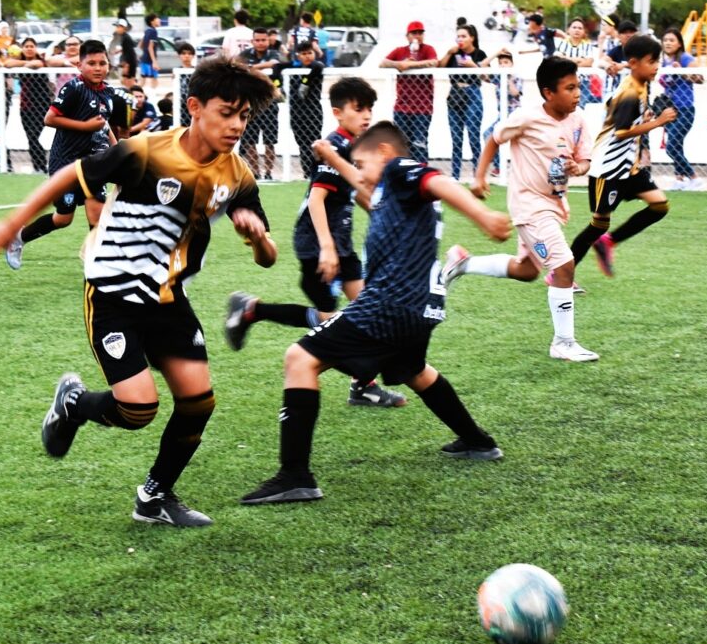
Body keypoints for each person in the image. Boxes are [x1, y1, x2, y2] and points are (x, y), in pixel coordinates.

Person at [0, 56, 279, 527]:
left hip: (169, 299)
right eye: (227, 112)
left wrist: (259, 237)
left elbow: (268, 257)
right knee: (138, 409)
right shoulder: (146, 151)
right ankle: (73, 403)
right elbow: (69, 176)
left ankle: (155, 498)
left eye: (244, 116)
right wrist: (11, 225)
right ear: (195, 107)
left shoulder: (237, 175)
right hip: (113, 293)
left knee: (199, 402)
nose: (237, 125)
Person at [239, 121, 512, 505]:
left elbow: (436, 180)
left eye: (364, 163)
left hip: (386, 305)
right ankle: (477, 441)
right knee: (416, 372)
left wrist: (481, 215)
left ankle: (294, 475)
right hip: (420, 308)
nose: (360, 174)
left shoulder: (401, 170)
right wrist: (333, 156)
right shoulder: (388, 192)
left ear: (384, 153)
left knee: (300, 358)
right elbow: (361, 182)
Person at [225, 77, 407, 408]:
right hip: (317, 243)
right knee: (334, 320)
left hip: (341, 243)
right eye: (358, 108)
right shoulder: (334, 147)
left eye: (369, 108)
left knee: (368, 314)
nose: (366, 115)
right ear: (338, 113)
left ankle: (362, 386)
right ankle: (253, 310)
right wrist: (326, 247)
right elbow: (316, 199)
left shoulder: (357, 147)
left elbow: (355, 193)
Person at [447, 57, 598, 362]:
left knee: (527, 270)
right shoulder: (526, 117)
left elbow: (584, 161)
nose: (577, 93)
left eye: (578, 86)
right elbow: (493, 139)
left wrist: (577, 168)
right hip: (529, 205)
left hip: (554, 205)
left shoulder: (579, 120)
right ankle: (563, 342)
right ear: (548, 93)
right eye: (569, 88)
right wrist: (479, 177)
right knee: (564, 265)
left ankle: (463, 263)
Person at [570, 35, 678, 274]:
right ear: (634, 62)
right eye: (651, 61)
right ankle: (561, 274)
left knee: (659, 206)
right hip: (607, 169)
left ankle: (609, 242)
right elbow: (620, 133)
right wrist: (657, 122)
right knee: (598, 226)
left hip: (629, 167)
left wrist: (646, 118)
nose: (656, 66)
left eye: (657, 60)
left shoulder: (641, 82)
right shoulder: (629, 91)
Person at [3, 39, 114, 269]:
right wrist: (85, 127)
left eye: (102, 63)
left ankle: (97, 267)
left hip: (93, 163)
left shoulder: (109, 93)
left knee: (97, 214)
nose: (97, 68)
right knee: (64, 218)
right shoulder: (74, 88)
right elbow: (50, 118)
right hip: (65, 163)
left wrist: (119, 150)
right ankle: (18, 238)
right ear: (79, 66)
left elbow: (104, 125)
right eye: (91, 63)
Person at [379, 20, 439, 163]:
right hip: (402, 105)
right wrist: (399, 64)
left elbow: (434, 62)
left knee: (420, 143)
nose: (417, 36)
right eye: (414, 33)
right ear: (407, 36)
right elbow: (383, 63)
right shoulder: (400, 51)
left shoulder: (428, 49)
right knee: (401, 143)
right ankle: (403, 170)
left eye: (420, 33)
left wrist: (410, 65)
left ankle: (420, 173)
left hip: (423, 106)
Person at [441, 24, 488, 181]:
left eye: (464, 36)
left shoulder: (480, 54)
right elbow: (439, 67)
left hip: (473, 93)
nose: (460, 39)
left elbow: (488, 77)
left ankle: (478, 176)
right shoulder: (454, 54)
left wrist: (473, 66)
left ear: (472, 38)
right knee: (456, 138)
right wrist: (448, 53)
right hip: (455, 93)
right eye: (458, 36)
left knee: (473, 137)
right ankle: (455, 176)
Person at [658, 28, 703, 190]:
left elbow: (700, 79)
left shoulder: (685, 58)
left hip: (685, 108)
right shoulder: (664, 61)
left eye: (672, 40)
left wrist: (682, 72)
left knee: (671, 145)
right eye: (665, 40)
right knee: (677, 145)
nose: (668, 43)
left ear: (679, 44)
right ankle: (680, 178)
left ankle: (694, 177)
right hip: (670, 108)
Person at [238, 28, 284, 180]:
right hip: (250, 104)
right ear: (252, 41)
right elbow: (238, 66)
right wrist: (259, 67)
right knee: (250, 141)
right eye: (257, 40)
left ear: (268, 40)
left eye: (263, 40)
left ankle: (269, 173)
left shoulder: (274, 53)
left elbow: (276, 63)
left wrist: (252, 68)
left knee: (270, 141)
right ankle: (256, 173)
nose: (260, 43)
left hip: (270, 104)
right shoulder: (245, 54)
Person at [6, 37, 53, 173]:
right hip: (25, 105)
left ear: (36, 47)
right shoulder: (20, 59)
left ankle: (42, 165)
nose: (29, 49)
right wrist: (24, 63)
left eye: (31, 46)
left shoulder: (41, 59)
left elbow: (36, 64)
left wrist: (22, 64)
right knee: (30, 137)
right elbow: (8, 64)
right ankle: (37, 167)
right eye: (26, 46)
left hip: (42, 104)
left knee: (33, 135)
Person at [285, 45, 324, 179]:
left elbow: (319, 66)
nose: (307, 56)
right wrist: (278, 84)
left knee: (315, 143)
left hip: (313, 111)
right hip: (296, 112)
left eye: (310, 53)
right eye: (303, 53)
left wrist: (305, 83)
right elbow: (277, 66)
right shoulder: (293, 69)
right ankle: (306, 173)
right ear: (298, 55)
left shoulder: (315, 67)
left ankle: (317, 171)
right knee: (302, 144)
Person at [483, 49, 523, 175]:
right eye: (501, 63)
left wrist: (509, 79)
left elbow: (515, 93)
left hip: (514, 114)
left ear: (512, 64)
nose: (503, 65)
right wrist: (496, 53)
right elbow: (483, 66)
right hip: (502, 115)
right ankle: (499, 166)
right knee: (488, 134)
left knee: (516, 141)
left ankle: (518, 167)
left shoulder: (517, 77)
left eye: (506, 62)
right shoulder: (497, 78)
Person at [554, 18, 598, 107]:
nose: (577, 30)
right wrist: (579, 59)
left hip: (583, 82)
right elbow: (558, 59)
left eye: (580, 28)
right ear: (568, 30)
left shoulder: (587, 45)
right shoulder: (562, 44)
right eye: (574, 27)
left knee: (581, 107)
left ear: (584, 31)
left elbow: (589, 62)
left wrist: (567, 59)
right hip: (565, 80)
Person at [598, 19, 638, 100]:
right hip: (617, 92)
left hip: (636, 92)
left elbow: (640, 63)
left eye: (631, 32)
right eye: (625, 32)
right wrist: (608, 65)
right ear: (619, 36)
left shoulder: (640, 50)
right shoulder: (617, 50)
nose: (628, 35)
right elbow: (602, 61)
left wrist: (623, 65)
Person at [109, 18, 138, 87]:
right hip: (128, 61)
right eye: (116, 27)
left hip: (129, 62)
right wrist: (118, 51)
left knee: (128, 81)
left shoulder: (126, 38)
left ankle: (133, 93)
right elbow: (127, 48)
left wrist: (126, 65)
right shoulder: (123, 37)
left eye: (118, 27)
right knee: (124, 80)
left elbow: (130, 52)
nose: (116, 29)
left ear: (124, 28)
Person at [175, 42, 196, 128]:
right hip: (181, 104)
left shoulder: (196, 71)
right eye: (183, 53)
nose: (187, 56)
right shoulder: (177, 72)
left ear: (193, 56)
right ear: (179, 56)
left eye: (189, 54)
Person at [139, 12, 161, 88]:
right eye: (157, 19)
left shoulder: (147, 31)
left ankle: (134, 94)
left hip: (144, 59)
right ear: (152, 21)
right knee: (154, 80)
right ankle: (153, 96)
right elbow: (150, 47)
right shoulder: (154, 31)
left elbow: (140, 45)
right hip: (150, 61)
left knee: (142, 81)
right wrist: (154, 62)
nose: (159, 20)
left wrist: (144, 53)